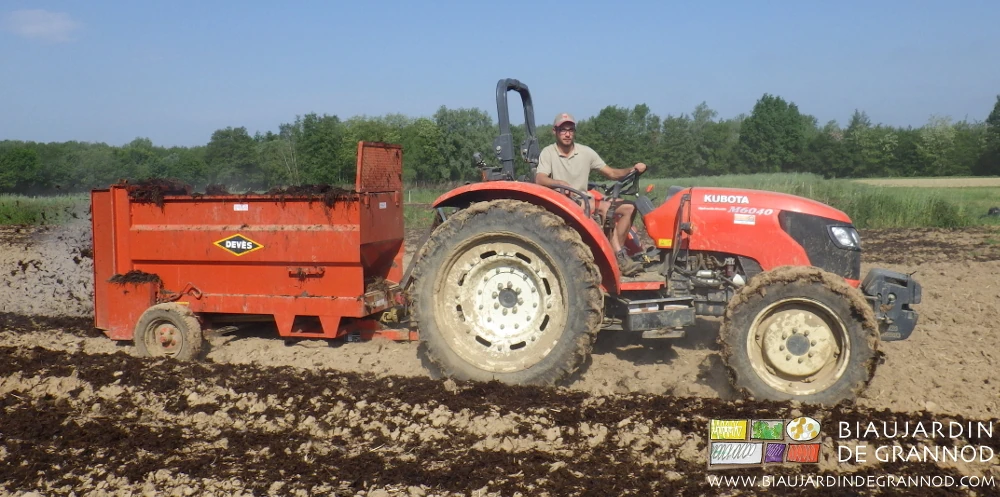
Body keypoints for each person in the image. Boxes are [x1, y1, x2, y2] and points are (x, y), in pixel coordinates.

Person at [535, 112, 647, 276]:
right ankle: (619, 257)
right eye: (563, 130)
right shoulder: (548, 152)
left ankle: (617, 254)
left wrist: (633, 169)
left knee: (628, 208)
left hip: (583, 198)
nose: (567, 134)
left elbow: (612, 173)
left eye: (571, 130)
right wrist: (559, 183)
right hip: (563, 202)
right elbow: (540, 178)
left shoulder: (586, 152)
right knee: (601, 208)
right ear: (555, 131)